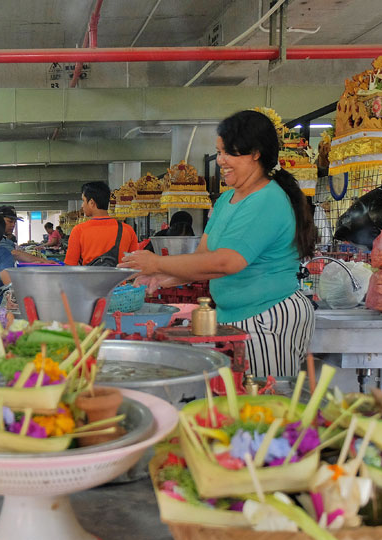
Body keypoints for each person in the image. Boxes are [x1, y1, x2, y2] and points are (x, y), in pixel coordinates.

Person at [121, 110, 316, 377]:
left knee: (262, 396)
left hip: (267, 317)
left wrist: (156, 262)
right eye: (219, 152)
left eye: (228, 153)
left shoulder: (267, 199)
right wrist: (160, 278)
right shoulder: (226, 200)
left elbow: (227, 262)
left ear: (255, 153)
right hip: (232, 317)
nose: (221, 161)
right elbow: (203, 258)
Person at [65, 182, 139, 265]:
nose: (82, 205)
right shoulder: (127, 230)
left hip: (89, 274)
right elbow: (135, 263)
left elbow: (70, 265)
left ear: (91, 203)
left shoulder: (79, 230)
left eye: (83, 201)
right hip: (120, 273)